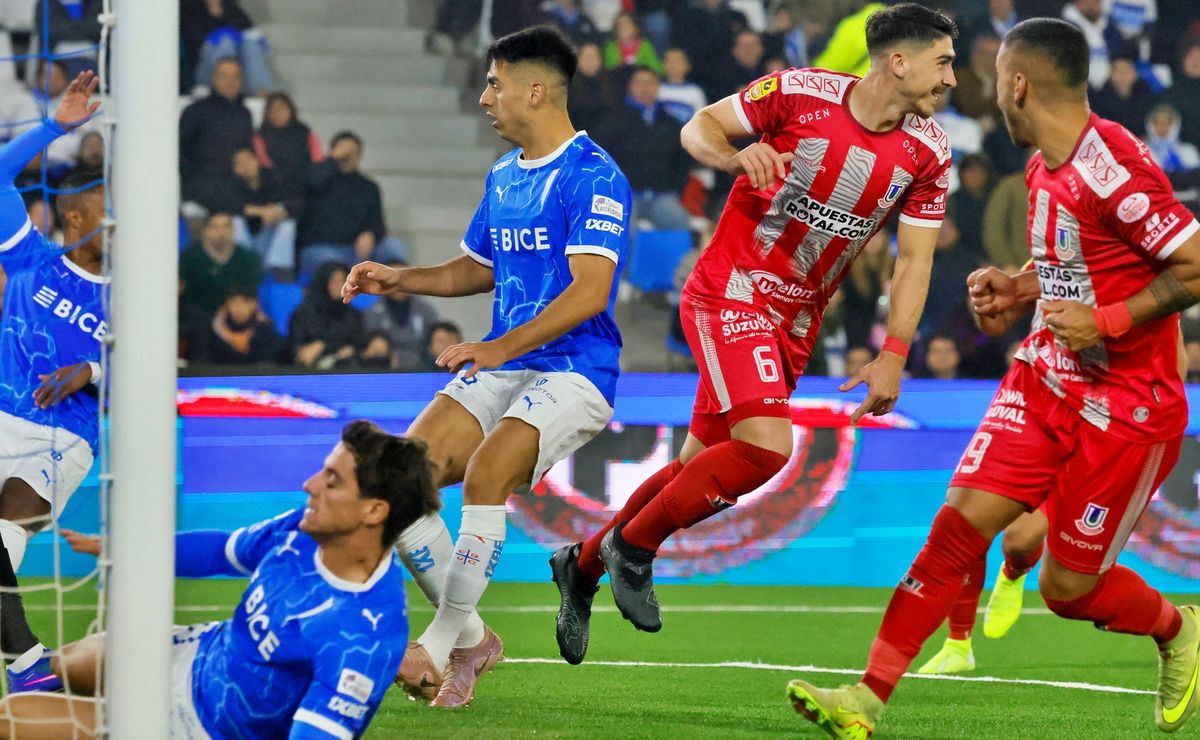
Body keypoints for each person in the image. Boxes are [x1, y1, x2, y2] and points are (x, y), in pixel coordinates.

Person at [788, 19, 1200, 736]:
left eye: (993, 81)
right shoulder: (1043, 166)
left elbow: (1193, 266)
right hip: (1045, 379)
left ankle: (1177, 627)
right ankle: (866, 698)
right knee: (956, 527)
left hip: (1130, 406)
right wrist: (1017, 286)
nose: (980, 92)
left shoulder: (1116, 170)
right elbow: (1076, 261)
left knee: (1068, 589)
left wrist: (1107, 321)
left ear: (1018, 84)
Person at [551, 2, 956, 665]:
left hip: (796, 320)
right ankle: (634, 547)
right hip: (731, 288)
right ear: (898, 62)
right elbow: (700, 126)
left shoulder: (929, 152)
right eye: (942, 63)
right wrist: (736, 155)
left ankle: (584, 564)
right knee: (767, 449)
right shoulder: (800, 92)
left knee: (698, 464)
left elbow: (915, 260)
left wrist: (893, 352)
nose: (951, 79)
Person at [341, 26, 632, 708]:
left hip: (576, 368)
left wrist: (500, 346)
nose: (483, 98)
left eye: (495, 84)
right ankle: (473, 640)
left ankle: (438, 643)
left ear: (536, 90)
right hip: (509, 362)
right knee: (398, 477)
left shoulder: (594, 174)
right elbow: (477, 267)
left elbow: (591, 290)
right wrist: (401, 279)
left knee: (485, 474)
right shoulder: (504, 174)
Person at [0, 420, 440, 738]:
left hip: (204, 726)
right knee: (66, 664)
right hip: (198, 652)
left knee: (10, 720)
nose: (310, 485)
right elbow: (220, 550)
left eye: (332, 480)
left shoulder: (363, 638)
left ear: (374, 511)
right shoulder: (302, 529)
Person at [0, 71, 103, 693]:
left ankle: (26, 665)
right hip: (1, 415)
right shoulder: (30, 258)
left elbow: (154, 370)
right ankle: (26, 664)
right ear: (74, 215)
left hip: (63, 438)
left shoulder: (133, 291)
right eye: (108, 212)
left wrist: (92, 370)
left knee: (4, 529)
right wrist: (53, 128)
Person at [297, 131, 406, 279]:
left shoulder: (369, 187)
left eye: (353, 153)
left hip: (356, 250)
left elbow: (377, 223)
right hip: (321, 248)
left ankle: (397, 290)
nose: (347, 157)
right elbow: (311, 181)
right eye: (343, 153)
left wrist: (370, 234)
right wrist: (333, 159)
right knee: (333, 267)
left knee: (394, 246)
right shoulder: (317, 180)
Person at [178, 57, 253, 212]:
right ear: (213, 78)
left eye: (235, 76)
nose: (230, 82)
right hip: (202, 187)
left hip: (237, 185)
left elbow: (246, 148)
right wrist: (192, 178)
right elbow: (180, 149)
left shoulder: (245, 114)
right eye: (224, 76)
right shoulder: (195, 111)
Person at [179, 211, 264, 319]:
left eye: (226, 226)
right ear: (205, 231)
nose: (221, 233)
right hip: (195, 319)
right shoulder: (190, 257)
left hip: (235, 319)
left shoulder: (248, 258)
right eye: (214, 227)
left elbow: (252, 298)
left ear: (233, 230)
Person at [289, 262, 364, 370]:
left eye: (343, 281)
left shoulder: (353, 315)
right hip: (308, 370)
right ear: (324, 282)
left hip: (344, 369)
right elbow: (294, 346)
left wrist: (323, 346)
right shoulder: (303, 313)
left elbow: (358, 345)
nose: (339, 286)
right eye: (334, 281)